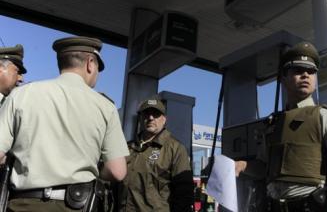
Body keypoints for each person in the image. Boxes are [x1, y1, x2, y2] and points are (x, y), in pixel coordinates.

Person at [0, 36, 129, 212]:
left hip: (22, 204)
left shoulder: (21, 95)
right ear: (90, 63)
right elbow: (117, 171)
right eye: (98, 68)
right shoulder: (105, 107)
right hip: (75, 205)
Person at [235, 42, 327, 211]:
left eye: (311, 71)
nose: (305, 75)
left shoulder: (325, 116)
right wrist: (241, 165)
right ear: (284, 78)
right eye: (298, 70)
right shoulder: (273, 124)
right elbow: (264, 167)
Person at [122, 98, 194, 212]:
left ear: (164, 119)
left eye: (155, 114)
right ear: (140, 118)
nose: (150, 118)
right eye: (146, 113)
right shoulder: (126, 147)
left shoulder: (175, 149)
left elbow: (184, 194)